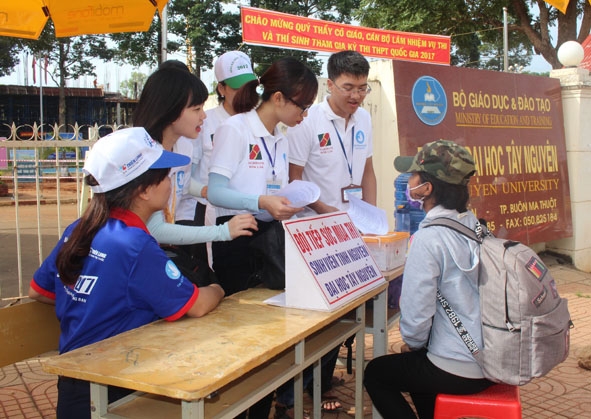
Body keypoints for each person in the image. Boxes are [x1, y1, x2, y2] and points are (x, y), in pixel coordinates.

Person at [28, 128, 227, 419]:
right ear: (144, 190)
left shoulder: (79, 229)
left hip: (73, 382)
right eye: (165, 176)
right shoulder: (135, 244)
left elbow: (39, 291)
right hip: (116, 386)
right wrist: (219, 289)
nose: (170, 183)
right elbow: (196, 305)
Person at [207, 56, 318, 418]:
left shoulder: (280, 139)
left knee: (268, 337)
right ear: (280, 99)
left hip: (269, 238)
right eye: (303, 106)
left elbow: (275, 189)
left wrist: (292, 202)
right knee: (240, 340)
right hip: (237, 241)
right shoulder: (236, 130)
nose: (305, 114)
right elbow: (216, 191)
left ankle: (262, 409)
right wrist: (260, 201)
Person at [363, 140, 494, 419]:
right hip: (492, 358)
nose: (408, 181)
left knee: (376, 374)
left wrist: (412, 341)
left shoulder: (428, 238)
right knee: (419, 366)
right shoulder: (476, 225)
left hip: (459, 366)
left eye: (413, 176)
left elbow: (415, 316)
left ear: (427, 188)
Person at [280, 50, 377, 414]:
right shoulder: (307, 122)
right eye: (349, 87)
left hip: (352, 228)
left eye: (362, 88)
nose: (355, 96)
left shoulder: (364, 118)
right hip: (316, 231)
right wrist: (328, 213)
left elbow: (368, 172)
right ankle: (289, 394)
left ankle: (318, 382)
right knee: (312, 315)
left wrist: (370, 218)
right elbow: (294, 181)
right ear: (330, 84)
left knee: (343, 310)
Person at [132, 64, 257, 285]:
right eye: (196, 109)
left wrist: (206, 190)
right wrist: (222, 231)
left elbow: (182, 181)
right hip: (135, 259)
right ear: (171, 111)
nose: (203, 116)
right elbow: (155, 229)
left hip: (158, 252)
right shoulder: (143, 155)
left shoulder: (183, 147)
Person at [192, 51, 258, 266]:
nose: (244, 94)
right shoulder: (205, 122)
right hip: (215, 213)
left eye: (249, 87)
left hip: (256, 214)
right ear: (221, 88)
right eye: (237, 88)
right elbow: (187, 177)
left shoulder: (259, 122)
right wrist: (208, 192)